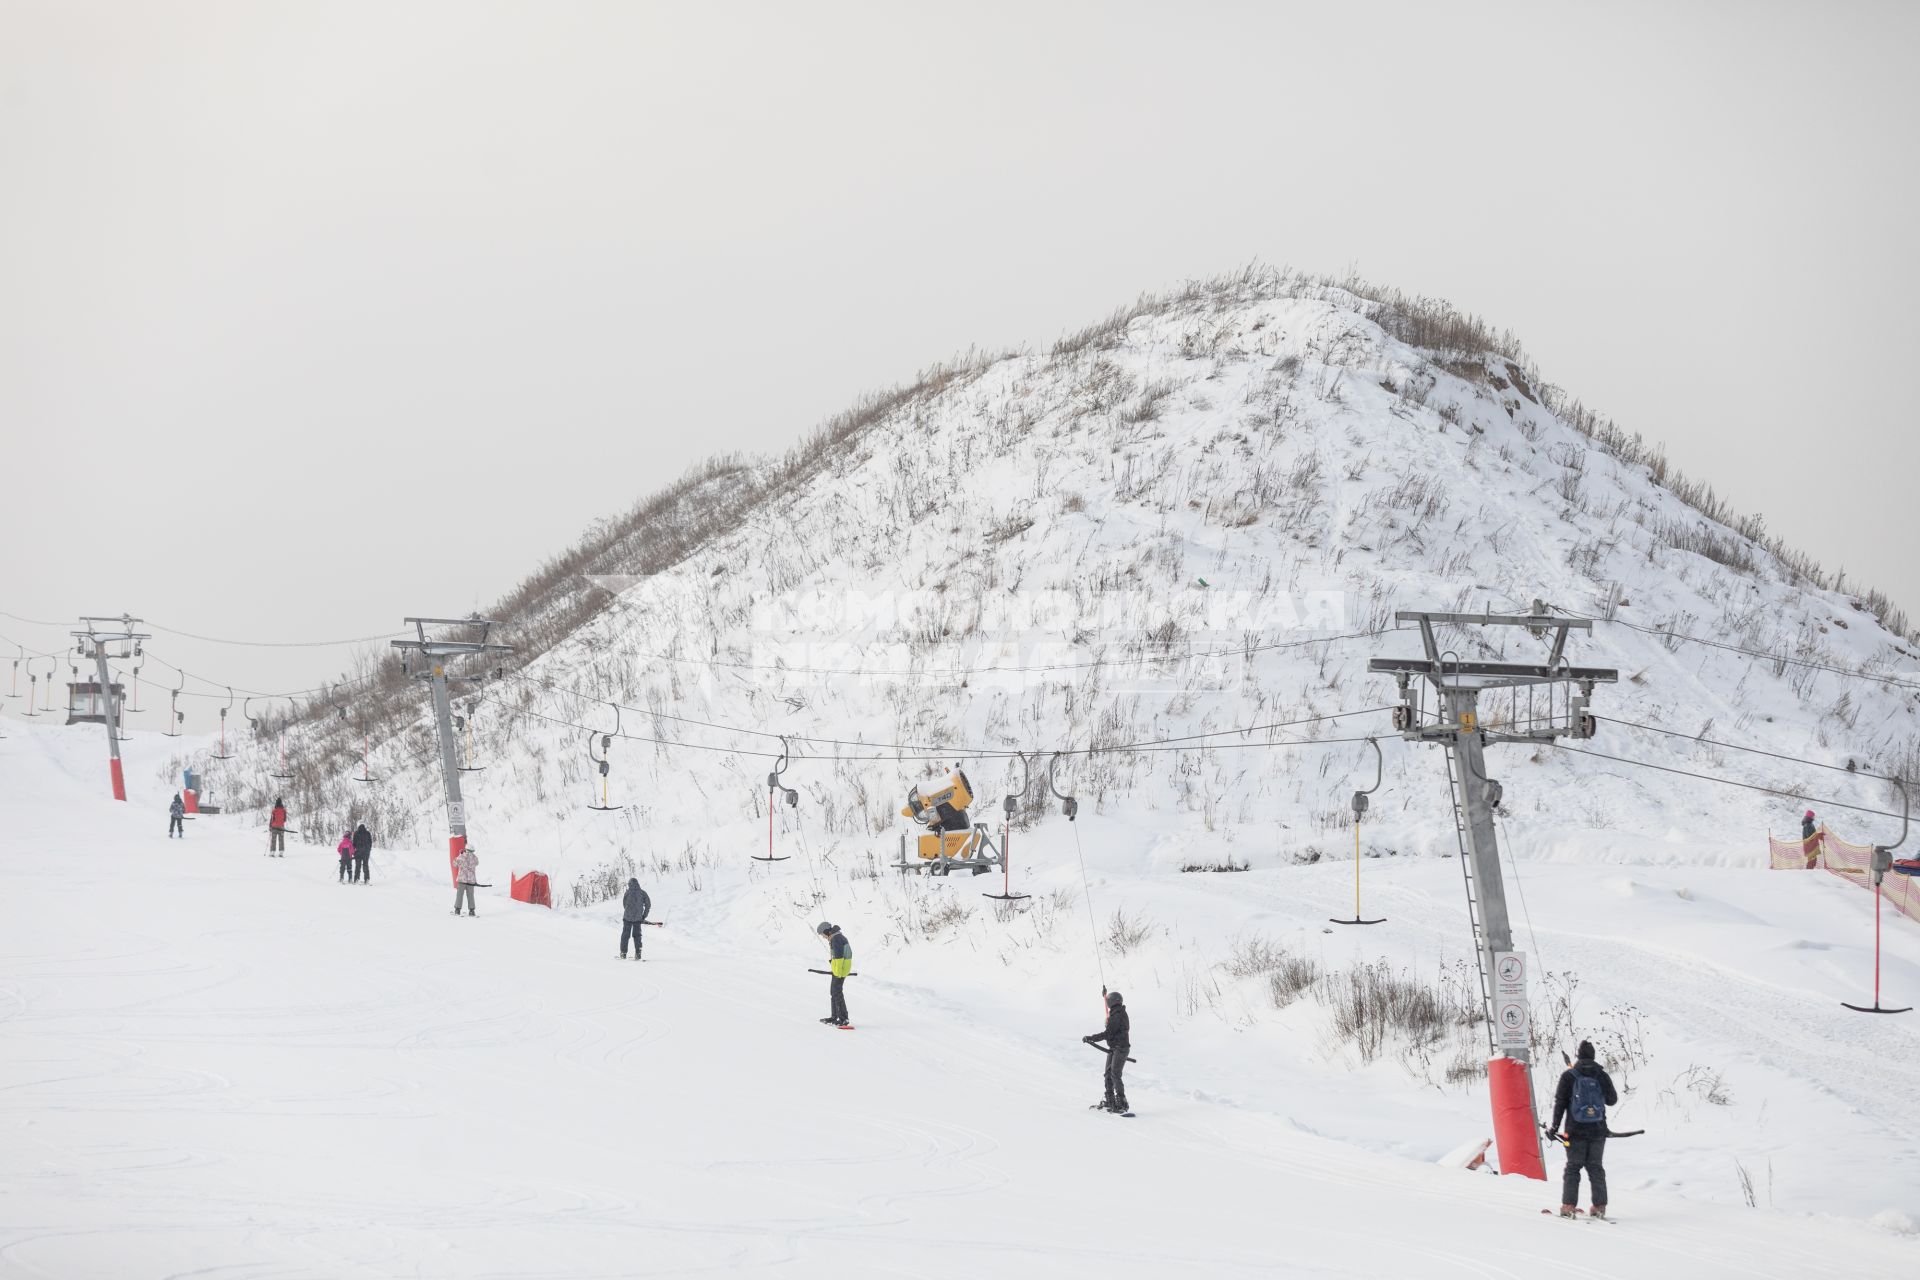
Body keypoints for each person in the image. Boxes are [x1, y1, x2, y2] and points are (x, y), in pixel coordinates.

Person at [1549, 1040, 1619, 1219]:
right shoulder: (1601, 1075)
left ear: (1579, 1056)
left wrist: (1554, 1127)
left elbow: (1560, 1103)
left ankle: (1568, 1206)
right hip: (1598, 1130)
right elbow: (1612, 1100)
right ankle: (1599, 1206)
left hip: (1574, 1131)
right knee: (1596, 1168)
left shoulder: (1569, 1076)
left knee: (1573, 1168)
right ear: (1594, 1056)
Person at [1083, 990, 1131, 1113]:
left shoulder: (1118, 1015)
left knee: (1115, 1074)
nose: (1107, 1003)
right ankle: (1110, 1100)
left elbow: (1108, 1033)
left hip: (1121, 1048)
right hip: (1114, 1048)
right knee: (1108, 1074)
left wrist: (1091, 1038)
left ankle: (1122, 1102)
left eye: (1108, 1001)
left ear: (1112, 1002)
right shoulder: (1116, 1013)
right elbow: (1112, 1032)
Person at [817, 922, 852, 1026]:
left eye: (822, 934)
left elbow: (839, 958)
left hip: (840, 971)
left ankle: (843, 1019)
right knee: (834, 992)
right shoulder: (837, 937)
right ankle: (834, 1016)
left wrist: (838, 973)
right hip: (839, 970)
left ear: (826, 931)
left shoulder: (836, 939)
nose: (823, 937)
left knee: (837, 993)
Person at [620, 878, 651, 960]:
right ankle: (638, 953)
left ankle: (623, 953)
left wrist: (628, 912)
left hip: (627, 918)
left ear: (629, 884)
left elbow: (624, 904)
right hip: (638, 919)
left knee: (625, 936)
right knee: (637, 936)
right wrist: (644, 916)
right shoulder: (642, 893)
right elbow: (648, 905)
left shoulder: (627, 892)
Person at [453, 844, 479, 916]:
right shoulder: (475, 858)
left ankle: (457, 910)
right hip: (471, 880)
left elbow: (454, 864)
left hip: (462, 879)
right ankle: (471, 911)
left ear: (466, 849)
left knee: (459, 895)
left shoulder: (461, 857)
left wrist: (460, 854)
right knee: (470, 895)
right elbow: (477, 863)